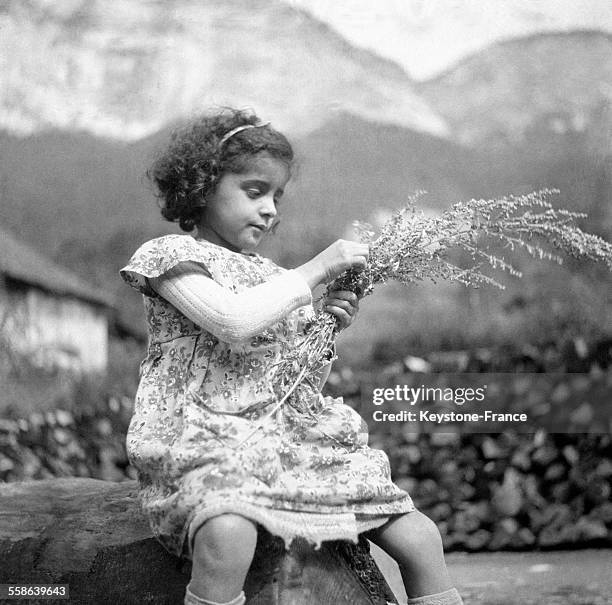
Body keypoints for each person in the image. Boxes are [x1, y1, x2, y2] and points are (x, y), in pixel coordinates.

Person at [120, 108, 463, 605]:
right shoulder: (171, 258)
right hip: (205, 434)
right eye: (255, 191)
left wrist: (327, 325)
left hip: (282, 435)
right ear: (202, 187)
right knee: (228, 533)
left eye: (277, 197)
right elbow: (235, 323)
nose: (270, 209)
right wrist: (319, 268)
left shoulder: (272, 276)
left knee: (419, 536)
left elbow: (293, 376)